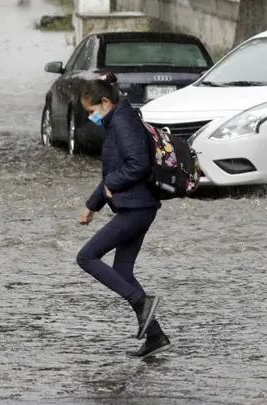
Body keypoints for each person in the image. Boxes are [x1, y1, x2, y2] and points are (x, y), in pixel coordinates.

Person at [76, 73, 171, 358]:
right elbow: (116, 171)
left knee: (87, 257)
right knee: (122, 271)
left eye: (91, 112)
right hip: (139, 207)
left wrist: (110, 186)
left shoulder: (122, 122)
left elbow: (137, 165)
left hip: (136, 208)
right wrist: (92, 205)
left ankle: (141, 301)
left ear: (105, 102)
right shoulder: (119, 119)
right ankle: (155, 336)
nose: (91, 117)